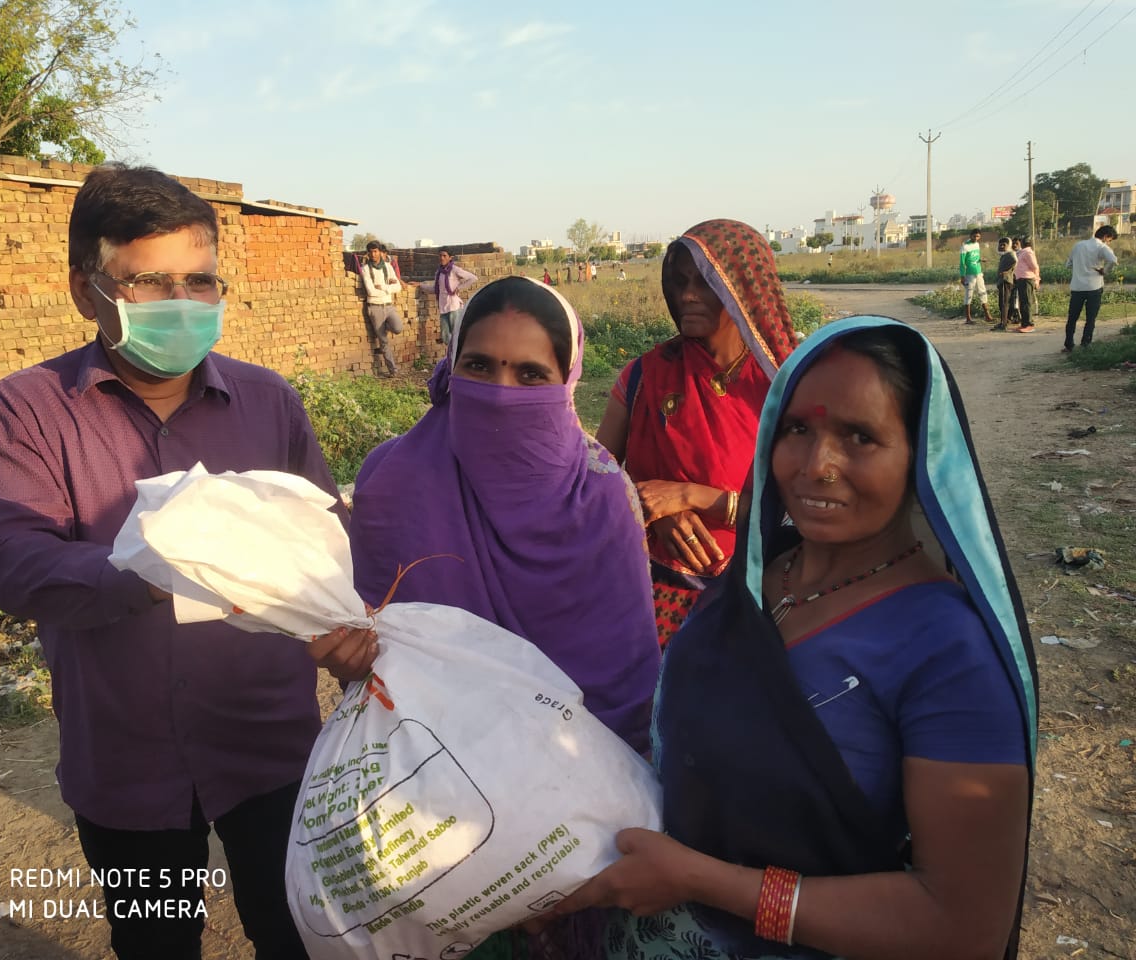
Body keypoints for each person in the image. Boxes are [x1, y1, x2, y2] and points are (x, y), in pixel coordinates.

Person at [0, 164, 376, 960]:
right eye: (150, 284)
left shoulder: (269, 404)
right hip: (126, 756)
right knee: (155, 945)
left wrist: (347, 631)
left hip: (270, 745)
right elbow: (11, 561)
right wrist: (150, 569)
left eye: (200, 281)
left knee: (298, 934)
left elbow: (324, 544)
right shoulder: (25, 410)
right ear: (87, 289)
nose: (182, 305)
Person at [558, 317, 1037, 960]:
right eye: (797, 429)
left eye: (860, 437)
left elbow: (962, 925)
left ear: (919, 455)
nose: (818, 466)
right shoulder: (751, 582)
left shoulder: (948, 653)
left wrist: (702, 881)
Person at [349, 277, 662, 959]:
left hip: (581, 821)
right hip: (433, 814)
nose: (502, 392)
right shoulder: (392, 483)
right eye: (480, 367)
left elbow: (624, 686)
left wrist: (565, 838)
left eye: (530, 374)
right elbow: (372, 658)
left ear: (567, 380)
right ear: (452, 366)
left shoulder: (601, 495)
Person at [595, 219, 798, 645]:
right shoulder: (644, 376)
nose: (687, 295)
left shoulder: (787, 387)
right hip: (646, 598)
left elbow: (804, 512)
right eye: (680, 281)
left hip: (756, 598)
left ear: (742, 288)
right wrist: (651, 511)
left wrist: (690, 497)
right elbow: (594, 482)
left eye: (705, 282)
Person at [1063, 224, 1119, 352]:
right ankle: (1085, 344)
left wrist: (1079, 269)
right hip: (1094, 286)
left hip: (1077, 286)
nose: (1109, 243)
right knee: (1090, 318)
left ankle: (1069, 344)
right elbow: (1113, 261)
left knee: (1072, 317)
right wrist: (1104, 271)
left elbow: (1068, 264)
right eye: (1110, 240)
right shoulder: (1101, 247)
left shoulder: (1078, 245)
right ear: (1106, 237)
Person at [360, 240, 405, 375]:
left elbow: (398, 287)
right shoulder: (366, 269)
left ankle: (384, 327)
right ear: (368, 253)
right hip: (375, 307)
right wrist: (389, 288)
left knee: (398, 328)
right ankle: (393, 369)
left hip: (388, 305)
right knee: (383, 341)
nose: (373, 254)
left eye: (375, 251)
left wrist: (384, 287)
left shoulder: (387, 266)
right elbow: (371, 291)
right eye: (371, 252)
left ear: (380, 252)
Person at [428, 248, 478, 345]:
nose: (442, 258)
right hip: (443, 307)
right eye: (440, 256)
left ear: (450, 258)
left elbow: (473, 278)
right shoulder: (439, 272)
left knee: (456, 335)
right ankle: (451, 357)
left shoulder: (454, 270)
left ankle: (457, 357)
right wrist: (420, 285)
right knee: (446, 337)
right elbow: (436, 289)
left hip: (454, 306)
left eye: (444, 256)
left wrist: (460, 287)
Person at [959, 228, 996, 324]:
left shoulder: (977, 244)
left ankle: (987, 315)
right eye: (974, 236)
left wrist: (981, 259)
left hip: (978, 272)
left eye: (978, 236)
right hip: (969, 273)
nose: (976, 238)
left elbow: (976, 257)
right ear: (970, 236)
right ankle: (968, 318)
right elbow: (962, 263)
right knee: (969, 294)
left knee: (982, 292)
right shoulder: (965, 246)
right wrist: (962, 276)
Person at [1013, 237, 1041, 334]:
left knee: (1026, 302)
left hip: (1027, 279)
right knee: (1023, 302)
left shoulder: (1028, 252)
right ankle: (1024, 324)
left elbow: (1035, 267)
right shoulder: (1022, 252)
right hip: (1021, 279)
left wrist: (1037, 280)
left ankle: (1029, 324)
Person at [994, 237, 1016, 331]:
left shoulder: (1011, 254)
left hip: (1006, 281)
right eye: (1000, 244)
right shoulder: (1004, 255)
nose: (1002, 246)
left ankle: (1004, 324)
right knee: (1002, 303)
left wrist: (1007, 272)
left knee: (1004, 303)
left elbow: (1016, 262)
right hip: (1002, 281)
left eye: (1004, 245)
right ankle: (1003, 321)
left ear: (1009, 246)